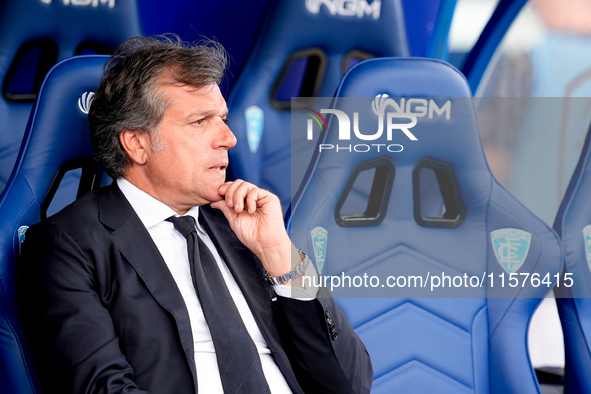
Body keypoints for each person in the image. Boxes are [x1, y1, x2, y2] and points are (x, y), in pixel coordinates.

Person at [18, 35, 373, 394]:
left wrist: (280, 256)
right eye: (200, 121)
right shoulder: (68, 245)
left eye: (223, 118)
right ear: (137, 143)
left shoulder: (243, 229)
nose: (229, 138)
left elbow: (350, 383)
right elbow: (101, 389)